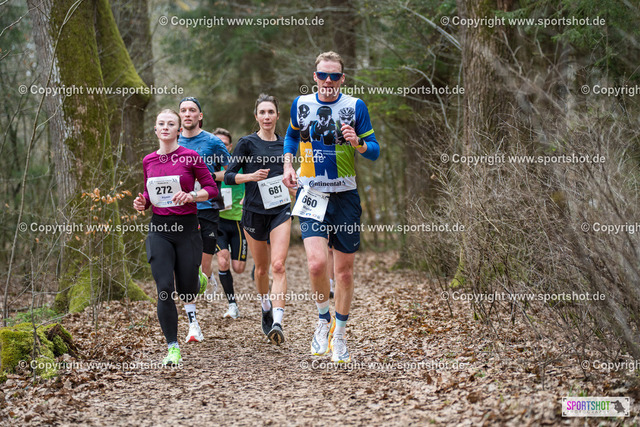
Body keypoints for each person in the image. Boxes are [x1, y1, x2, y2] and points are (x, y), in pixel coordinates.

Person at [283, 51, 380, 363]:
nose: (328, 81)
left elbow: (374, 151)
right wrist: (288, 164)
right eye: (323, 75)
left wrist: (358, 143)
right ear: (315, 77)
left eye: (334, 76)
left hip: (345, 197)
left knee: (344, 273)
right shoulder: (301, 104)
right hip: (311, 193)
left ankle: (340, 334)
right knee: (316, 265)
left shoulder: (355, 106)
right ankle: (323, 320)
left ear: (342, 78)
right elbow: (291, 136)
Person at [133, 109, 218, 365]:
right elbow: (150, 193)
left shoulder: (190, 157)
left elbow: (211, 188)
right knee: (164, 289)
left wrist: (191, 196)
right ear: (156, 130)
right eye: (161, 123)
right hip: (160, 230)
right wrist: (142, 202)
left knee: (186, 290)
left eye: (171, 124)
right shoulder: (148, 160)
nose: (165, 127)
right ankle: (172, 347)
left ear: (179, 130)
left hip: (187, 229)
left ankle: (198, 279)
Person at [224, 94, 291, 345]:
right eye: (262, 112)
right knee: (261, 269)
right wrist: (250, 177)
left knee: (278, 266)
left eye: (271, 112)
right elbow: (229, 176)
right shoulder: (246, 143)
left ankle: (278, 322)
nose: (266, 116)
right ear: (256, 116)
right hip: (253, 212)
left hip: (280, 210)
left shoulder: (286, 144)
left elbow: (290, 174)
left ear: (277, 116)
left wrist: (294, 184)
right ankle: (265, 307)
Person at [178, 97, 231, 341]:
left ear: (200, 116)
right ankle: (193, 322)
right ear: (180, 115)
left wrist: (208, 176)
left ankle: (207, 278)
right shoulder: (173, 140)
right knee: (185, 265)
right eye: (183, 110)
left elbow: (229, 170)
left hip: (208, 207)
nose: (187, 114)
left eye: (192, 110)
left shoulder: (212, 142)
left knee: (203, 265)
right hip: (181, 210)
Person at [213, 127, 246, 319]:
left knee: (239, 268)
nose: (221, 146)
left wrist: (247, 197)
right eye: (217, 143)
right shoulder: (207, 165)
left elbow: (252, 181)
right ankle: (232, 305)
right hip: (217, 221)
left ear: (230, 146)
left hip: (238, 221)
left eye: (224, 144)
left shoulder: (239, 163)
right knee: (223, 259)